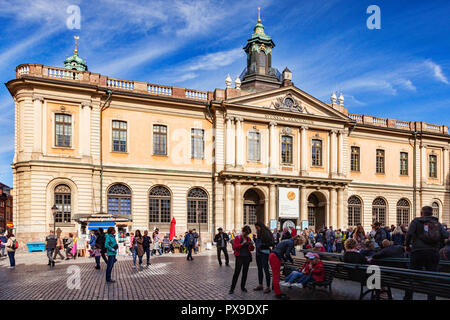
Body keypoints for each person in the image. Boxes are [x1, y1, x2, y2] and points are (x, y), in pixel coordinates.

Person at [404, 206, 450, 300]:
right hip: (433, 252)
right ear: (432, 213)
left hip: (418, 252)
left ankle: (408, 297)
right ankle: (431, 298)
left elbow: (409, 234)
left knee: (412, 276)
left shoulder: (416, 221)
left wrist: (407, 245)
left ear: (422, 213)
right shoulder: (437, 223)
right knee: (432, 277)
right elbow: (446, 235)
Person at [269, 235, 303, 300]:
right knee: (276, 275)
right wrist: (291, 261)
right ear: (296, 240)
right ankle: (278, 293)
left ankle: (276, 289)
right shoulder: (291, 243)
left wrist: (284, 259)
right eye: (297, 243)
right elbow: (287, 254)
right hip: (275, 257)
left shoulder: (287, 241)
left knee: (275, 275)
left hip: (273, 255)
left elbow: (282, 252)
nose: (295, 245)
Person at [229, 225, 254, 294]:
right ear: (243, 232)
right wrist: (242, 244)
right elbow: (235, 247)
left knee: (245, 273)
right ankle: (232, 288)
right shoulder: (238, 237)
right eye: (246, 233)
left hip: (247, 257)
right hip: (239, 257)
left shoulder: (249, 239)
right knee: (237, 272)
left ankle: (243, 287)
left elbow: (251, 249)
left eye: (248, 233)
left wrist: (251, 245)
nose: (247, 235)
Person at [253, 222, 273, 293]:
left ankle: (268, 287)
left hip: (264, 252)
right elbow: (258, 242)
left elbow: (271, 243)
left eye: (257, 227)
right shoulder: (259, 232)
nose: (256, 229)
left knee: (266, 269)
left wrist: (262, 245)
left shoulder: (267, 232)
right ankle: (260, 285)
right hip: (258, 253)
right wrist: (255, 239)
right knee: (259, 269)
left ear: (260, 226)